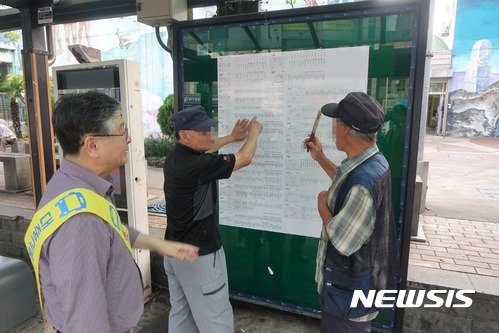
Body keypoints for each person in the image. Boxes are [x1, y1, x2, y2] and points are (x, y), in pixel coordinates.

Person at [24, 91, 199, 333]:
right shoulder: (81, 222)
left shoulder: (73, 187)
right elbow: (86, 322)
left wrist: (160, 245)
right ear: (92, 145)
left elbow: (109, 229)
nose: (128, 139)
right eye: (122, 130)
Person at [303, 92, 400, 332]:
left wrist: (322, 207)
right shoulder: (373, 162)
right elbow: (346, 182)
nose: (333, 128)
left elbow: (342, 242)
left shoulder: (362, 182)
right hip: (353, 291)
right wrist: (320, 157)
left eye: (336, 122)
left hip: (347, 299)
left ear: (346, 129)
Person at [163, 105, 263, 333]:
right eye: (203, 131)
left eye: (210, 129)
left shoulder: (176, 157)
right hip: (199, 255)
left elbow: (208, 148)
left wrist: (232, 137)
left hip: (174, 253)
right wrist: (255, 132)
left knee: (182, 314)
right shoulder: (196, 165)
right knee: (215, 318)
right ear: (184, 135)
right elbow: (245, 158)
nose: (210, 135)